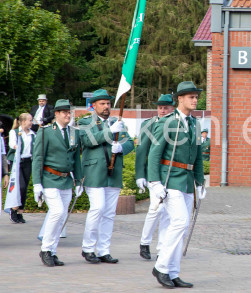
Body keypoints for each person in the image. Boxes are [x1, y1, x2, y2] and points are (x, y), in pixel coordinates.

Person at [148, 81, 206, 289]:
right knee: (180, 222)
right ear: (180, 99)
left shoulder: (195, 123)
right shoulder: (168, 122)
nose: (195, 99)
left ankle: (173, 272)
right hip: (170, 177)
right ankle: (161, 267)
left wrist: (200, 181)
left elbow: (198, 156)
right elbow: (154, 153)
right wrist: (154, 182)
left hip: (187, 180)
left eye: (196, 96)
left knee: (182, 227)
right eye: (190, 96)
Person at [78, 89, 135, 264]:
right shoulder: (85, 122)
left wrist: (121, 148)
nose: (106, 106)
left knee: (109, 213)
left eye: (108, 103)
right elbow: (89, 141)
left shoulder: (117, 122)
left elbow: (130, 143)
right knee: (97, 209)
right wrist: (110, 132)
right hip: (94, 172)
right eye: (102, 103)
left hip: (114, 172)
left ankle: (104, 250)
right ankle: (88, 248)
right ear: (93, 106)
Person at [31, 99, 83, 267]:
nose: (68, 115)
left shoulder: (74, 132)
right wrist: (37, 183)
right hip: (50, 178)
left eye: (69, 112)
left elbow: (76, 159)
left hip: (66, 180)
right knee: (57, 212)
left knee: (62, 218)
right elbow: (38, 158)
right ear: (57, 114)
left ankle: (52, 251)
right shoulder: (46, 132)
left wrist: (79, 180)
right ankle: (45, 249)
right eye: (64, 112)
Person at [136, 94, 175, 260]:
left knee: (167, 212)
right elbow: (142, 150)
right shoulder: (149, 124)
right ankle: (145, 242)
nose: (162, 110)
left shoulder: (176, 123)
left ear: (172, 108)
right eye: (160, 107)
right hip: (154, 174)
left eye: (165, 107)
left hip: (171, 174)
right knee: (156, 209)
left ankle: (162, 249)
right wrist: (140, 174)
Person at [7, 113, 35, 223]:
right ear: (23, 122)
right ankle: (13, 210)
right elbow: (12, 144)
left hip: (28, 162)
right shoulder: (14, 132)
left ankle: (20, 212)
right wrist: (16, 146)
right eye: (30, 120)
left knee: (25, 188)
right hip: (17, 162)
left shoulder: (33, 134)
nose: (31, 122)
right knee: (20, 187)